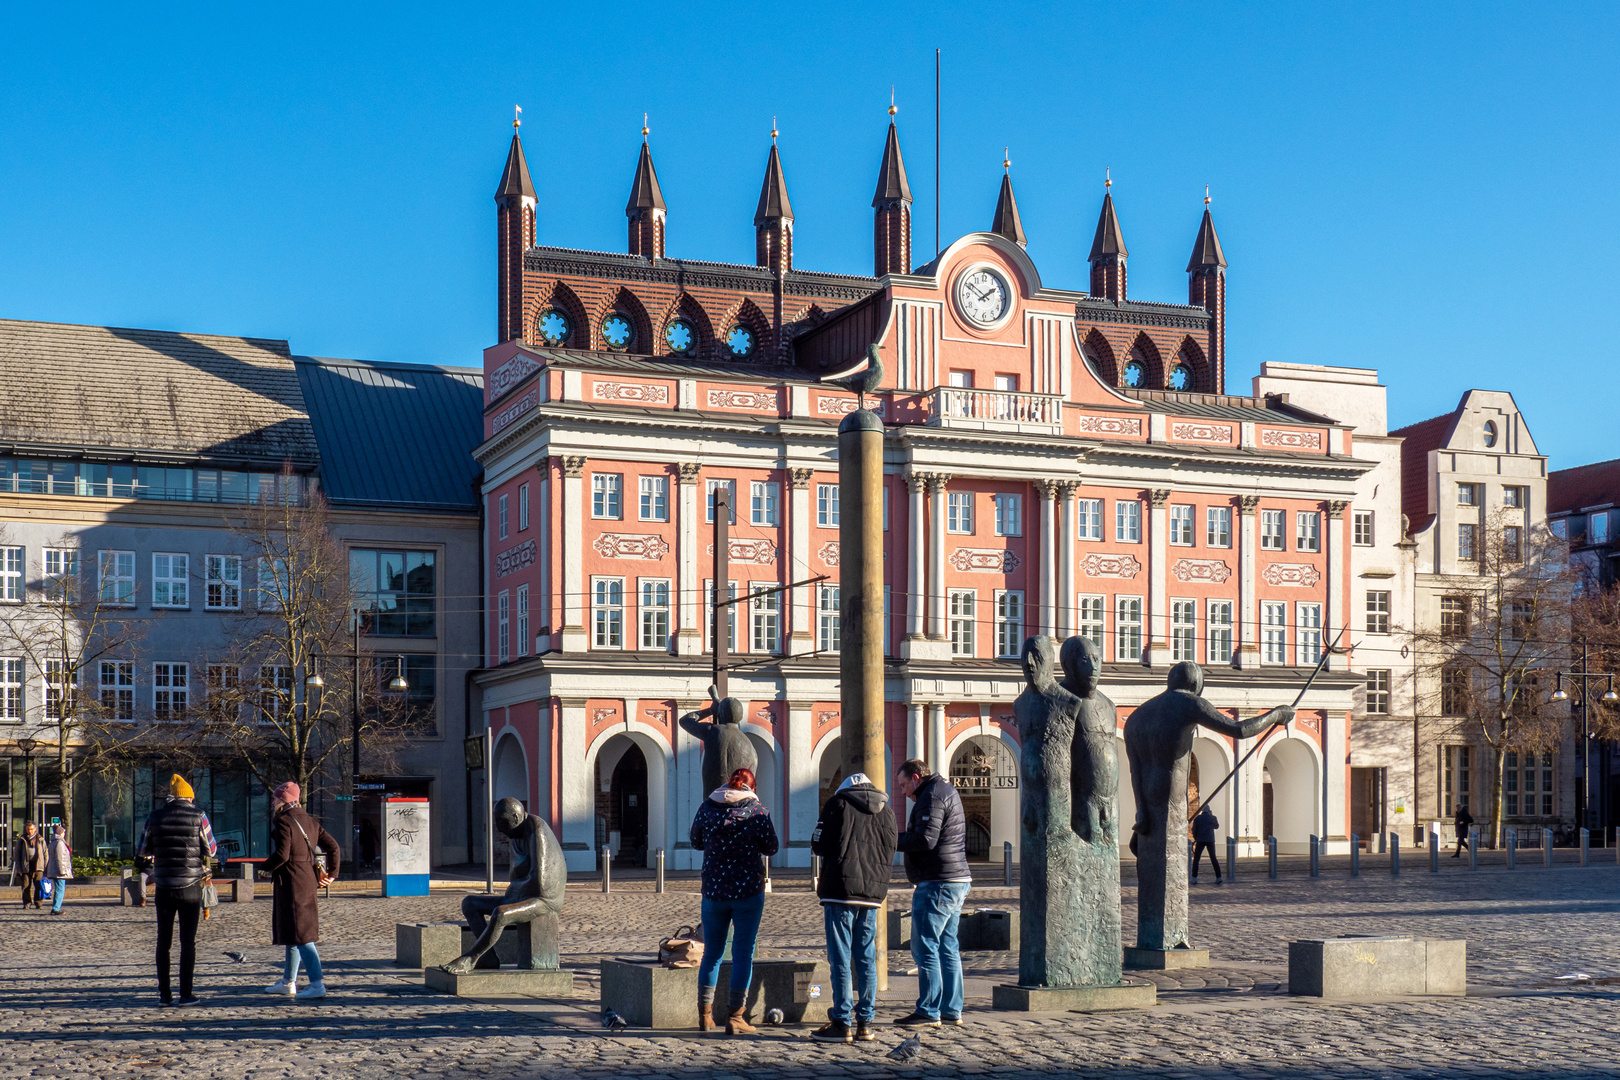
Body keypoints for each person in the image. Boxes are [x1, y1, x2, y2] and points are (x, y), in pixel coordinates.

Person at [809, 771, 897, 1044]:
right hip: (871, 895)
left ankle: (842, 1021)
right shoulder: (887, 811)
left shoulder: (837, 805)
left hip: (840, 892)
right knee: (866, 958)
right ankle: (866, 1022)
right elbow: (892, 847)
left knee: (841, 958)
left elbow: (819, 844)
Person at [690, 767, 779, 1036]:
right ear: (751, 787)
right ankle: (735, 1017)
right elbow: (772, 847)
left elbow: (695, 841)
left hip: (714, 891)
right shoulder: (758, 812)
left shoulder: (707, 808)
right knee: (743, 954)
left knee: (712, 955)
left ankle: (705, 1016)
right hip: (748, 892)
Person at [893, 758, 971, 1028]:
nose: (903, 792)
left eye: (903, 785)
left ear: (916, 777)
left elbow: (926, 839)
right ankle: (951, 1009)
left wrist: (890, 838)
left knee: (925, 946)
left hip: (938, 880)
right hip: (954, 878)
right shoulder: (944, 790)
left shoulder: (931, 796)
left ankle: (929, 1009)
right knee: (948, 947)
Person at [137, 774, 217, 1006]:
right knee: (187, 942)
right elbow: (211, 850)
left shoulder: (155, 816)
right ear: (189, 797)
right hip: (190, 885)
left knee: (164, 942)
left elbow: (142, 850)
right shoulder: (199, 816)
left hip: (163, 885)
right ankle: (186, 994)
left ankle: (164, 995)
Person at [261, 782, 341, 1000]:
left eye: (275, 798)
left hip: (292, 882)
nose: (273, 801)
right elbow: (334, 847)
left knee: (303, 937)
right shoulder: (310, 821)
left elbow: (282, 855)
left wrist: (264, 868)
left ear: (282, 800)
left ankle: (317, 984)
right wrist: (332, 874)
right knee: (294, 934)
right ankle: (288, 982)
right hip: (307, 880)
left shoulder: (284, 821)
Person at [14, 821, 46, 909]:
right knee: (25, 885)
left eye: (32, 829)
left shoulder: (40, 839)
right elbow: (17, 854)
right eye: (28, 829)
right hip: (26, 866)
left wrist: (45, 866)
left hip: (38, 866)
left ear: (35, 829)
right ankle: (27, 902)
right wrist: (19, 867)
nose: (30, 831)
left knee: (38, 885)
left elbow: (45, 853)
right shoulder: (22, 840)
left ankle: (38, 902)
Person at [45, 823, 73, 914]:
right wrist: (62, 871)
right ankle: (56, 908)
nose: (64, 834)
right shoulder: (60, 843)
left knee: (58, 889)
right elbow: (60, 858)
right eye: (63, 832)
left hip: (54, 869)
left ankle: (56, 907)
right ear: (60, 833)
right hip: (59, 871)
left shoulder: (53, 842)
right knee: (60, 889)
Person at [1191, 806, 1221, 884]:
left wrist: (1196, 838)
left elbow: (1194, 830)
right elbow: (1216, 826)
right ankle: (1218, 877)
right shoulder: (1212, 818)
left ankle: (1194, 877)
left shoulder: (1198, 818)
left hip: (1200, 840)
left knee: (1196, 859)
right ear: (1208, 810)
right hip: (1210, 840)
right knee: (1213, 858)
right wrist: (1212, 815)